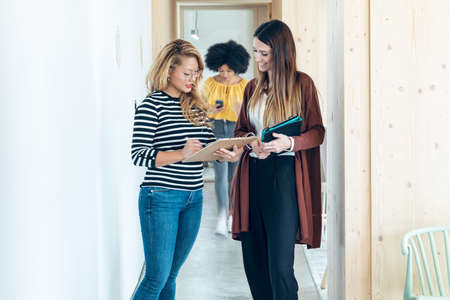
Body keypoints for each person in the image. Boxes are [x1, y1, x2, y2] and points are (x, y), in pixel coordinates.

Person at [131, 39, 241, 300]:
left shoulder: (197, 107)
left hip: (194, 197)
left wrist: (225, 154)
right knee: (156, 277)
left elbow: (204, 150)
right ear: (169, 70)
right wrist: (180, 153)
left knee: (170, 275)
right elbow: (138, 155)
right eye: (187, 73)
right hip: (160, 197)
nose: (193, 79)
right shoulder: (151, 105)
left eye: (196, 74)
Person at [228, 20, 325, 300]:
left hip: (284, 179)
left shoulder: (302, 84)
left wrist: (290, 143)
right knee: (254, 263)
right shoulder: (251, 88)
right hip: (253, 176)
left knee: (280, 268)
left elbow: (317, 132)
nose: (257, 59)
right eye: (255, 51)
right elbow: (241, 129)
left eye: (264, 53)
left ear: (280, 53)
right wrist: (250, 143)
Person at [201, 40, 250, 236]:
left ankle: (232, 215)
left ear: (238, 68)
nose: (225, 75)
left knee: (235, 177)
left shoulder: (246, 86)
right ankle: (221, 216)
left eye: (229, 71)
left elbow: (253, 115)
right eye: (221, 71)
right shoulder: (209, 84)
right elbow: (199, 112)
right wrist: (210, 111)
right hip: (217, 130)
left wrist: (241, 112)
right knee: (220, 176)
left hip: (237, 132)